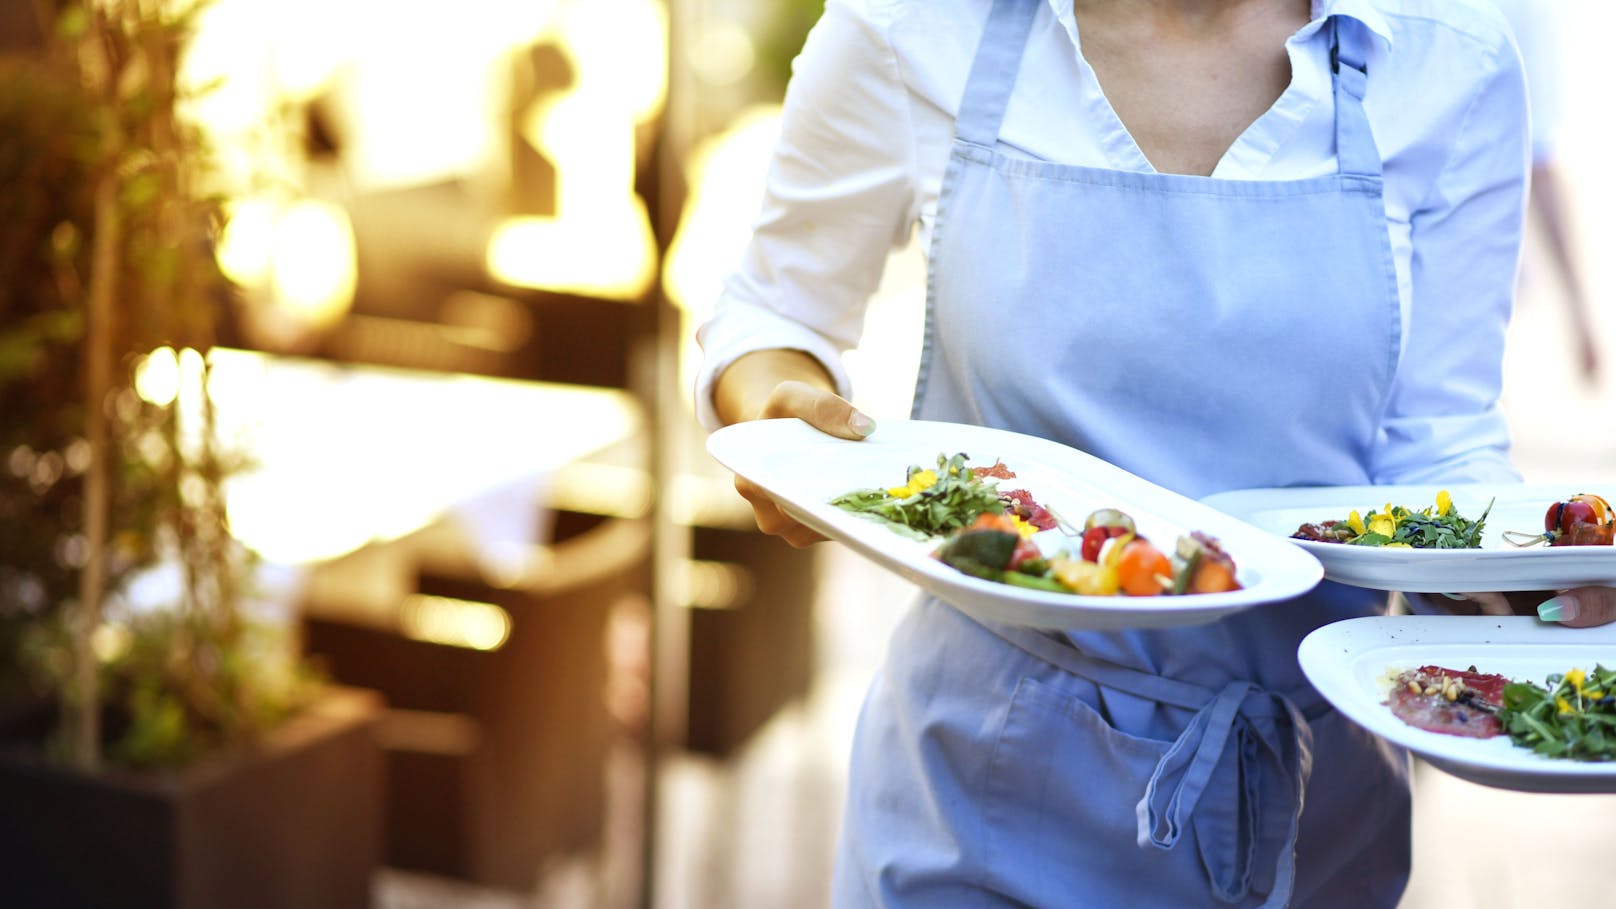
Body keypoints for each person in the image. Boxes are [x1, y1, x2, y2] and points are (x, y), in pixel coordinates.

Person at [694, 0, 1616, 906]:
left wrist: (1521, 587)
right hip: (981, 794)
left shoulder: (1451, 53)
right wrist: (779, 415)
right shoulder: (916, 25)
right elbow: (774, 312)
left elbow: (1439, 443)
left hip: (1313, 812)